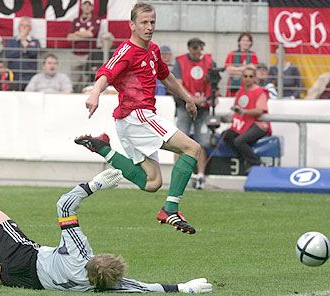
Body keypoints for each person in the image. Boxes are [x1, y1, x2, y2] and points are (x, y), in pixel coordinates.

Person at [0, 169, 213, 294]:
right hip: (27, 281)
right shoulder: (108, 288)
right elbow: (146, 288)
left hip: (25, 258)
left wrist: (95, 184)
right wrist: (185, 288)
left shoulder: (80, 253)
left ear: (97, 258)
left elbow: (64, 206)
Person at [75, 3, 201, 234]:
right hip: (137, 115)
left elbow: (167, 77)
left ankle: (103, 149)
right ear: (132, 25)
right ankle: (170, 209)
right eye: (144, 22)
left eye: (152, 22)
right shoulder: (127, 50)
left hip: (128, 122)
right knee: (192, 148)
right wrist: (95, 93)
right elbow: (106, 72)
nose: (149, 27)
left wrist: (187, 98)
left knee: (152, 183)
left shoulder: (152, 50)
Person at [172, 37, 217, 190]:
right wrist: (191, 99)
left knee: (201, 143)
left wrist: (208, 98)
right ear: (190, 48)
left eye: (199, 47)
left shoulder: (210, 63)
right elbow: (177, 84)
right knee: (179, 141)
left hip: (203, 108)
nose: (197, 51)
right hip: (184, 106)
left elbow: (214, 83)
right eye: (194, 48)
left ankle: (201, 176)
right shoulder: (180, 62)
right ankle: (177, 175)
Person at [222, 67, 270, 173]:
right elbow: (237, 108)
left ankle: (255, 163)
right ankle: (244, 159)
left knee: (239, 141)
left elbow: (259, 110)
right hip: (243, 123)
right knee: (226, 135)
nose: (248, 78)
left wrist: (244, 111)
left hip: (258, 125)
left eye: (250, 76)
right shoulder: (241, 91)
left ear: (255, 78)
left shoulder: (260, 92)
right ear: (242, 78)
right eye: (245, 76)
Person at [67, 0, 101, 93]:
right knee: (74, 79)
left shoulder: (95, 20)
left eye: (89, 5)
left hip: (89, 55)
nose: (87, 7)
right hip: (76, 54)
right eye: (85, 4)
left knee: (88, 79)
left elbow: (91, 34)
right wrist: (84, 34)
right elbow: (70, 37)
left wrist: (77, 33)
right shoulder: (76, 21)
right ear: (81, 6)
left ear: (92, 7)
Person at [4, 17, 41, 91]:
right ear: (18, 27)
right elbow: (9, 54)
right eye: (22, 25)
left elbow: (33, 53)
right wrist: (23, 49)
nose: (24, 27)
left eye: (26, 26)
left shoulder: (35, 41)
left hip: (30, 77)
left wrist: (24, 41)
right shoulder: (11, 41)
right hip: (14, 77)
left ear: (30, 29)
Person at [224, 32, 258, 97]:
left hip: (248, 87)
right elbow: (229, 70)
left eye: (248, 41)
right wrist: (244, 67)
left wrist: (236, 70)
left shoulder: (253, 55)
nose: (245, 43)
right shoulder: (232, 54)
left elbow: (254, 69)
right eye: (243, 40)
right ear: (239, 42)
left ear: (250, 43)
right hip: (234, 87)